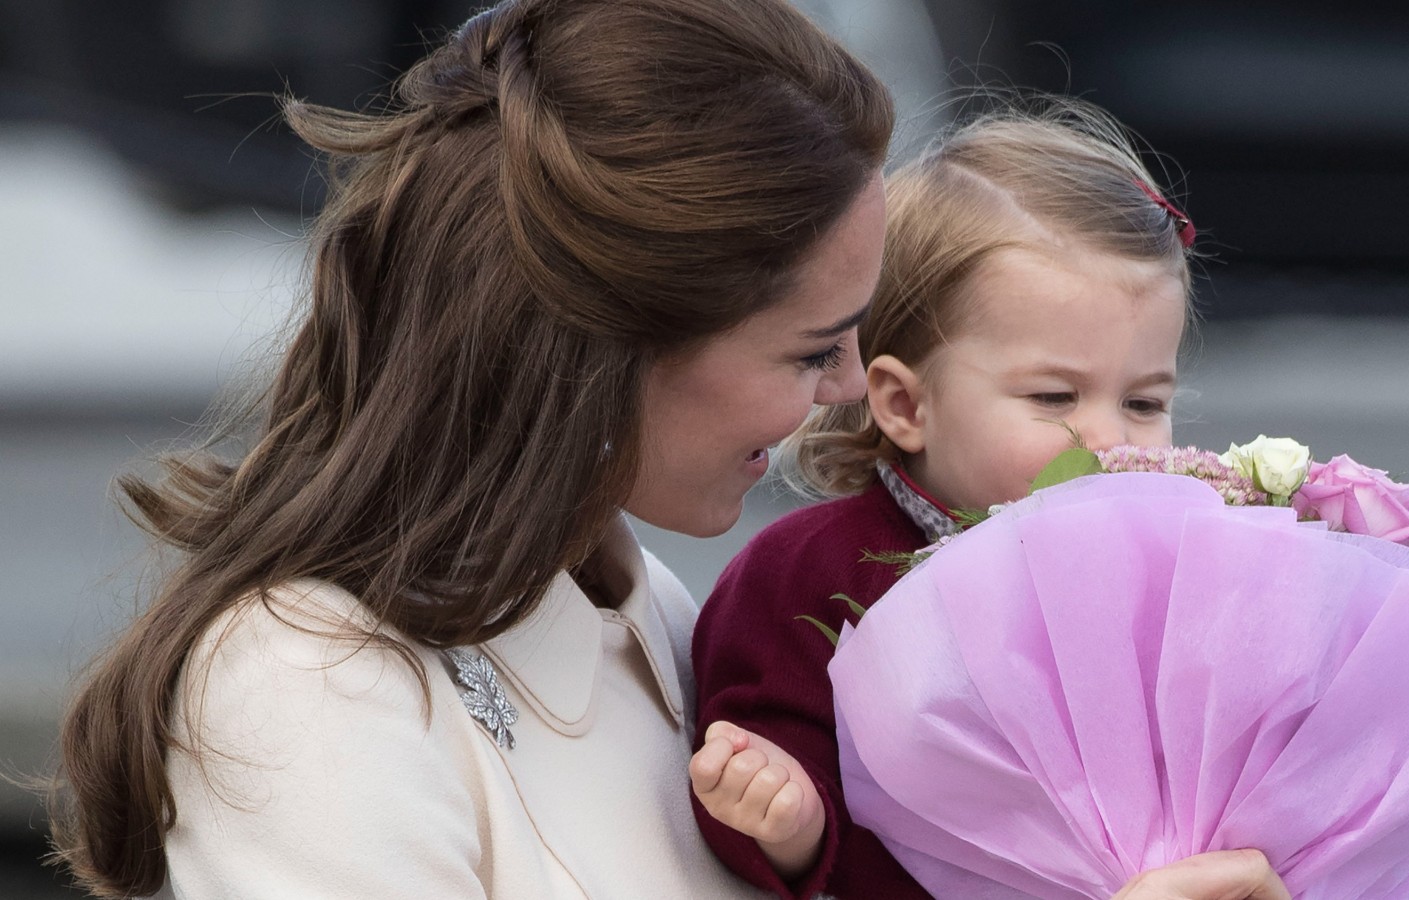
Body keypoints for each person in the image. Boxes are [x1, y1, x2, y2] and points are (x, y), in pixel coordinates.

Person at [51, 0, 1280, 895]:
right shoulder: (304, 694)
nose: (853, 392)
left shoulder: (647, 612)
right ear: (606, 344)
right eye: (811, 352)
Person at [690, 103, 1244, 898]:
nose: (1106, 437)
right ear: (906, 406)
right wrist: (788, 818)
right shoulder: (811, 572)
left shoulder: (1177, 571)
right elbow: (760, 755)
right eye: (1056, 396)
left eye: (1145, 403)